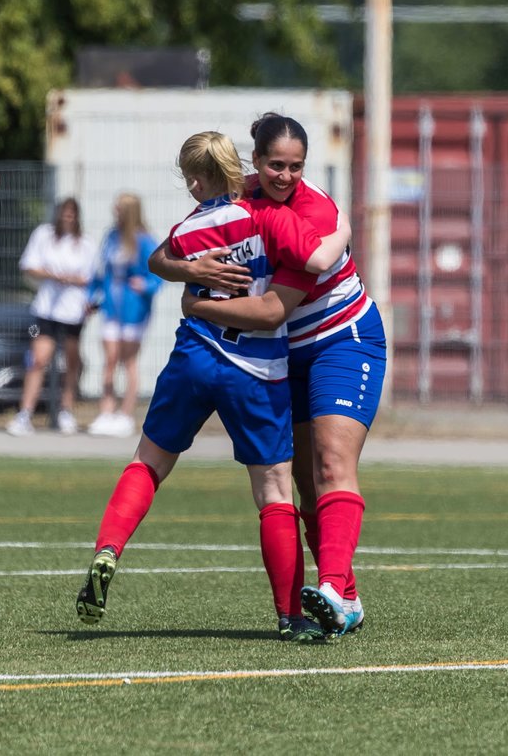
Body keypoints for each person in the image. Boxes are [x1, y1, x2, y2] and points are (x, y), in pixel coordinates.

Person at [75, 131, 347, 642]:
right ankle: (290, 618)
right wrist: (343, 226)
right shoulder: (266, 216)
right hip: (256, 369)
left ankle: (108, 549)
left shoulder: (188, 229)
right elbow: (315, 259)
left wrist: (188, 272)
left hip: (194, 354)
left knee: (147, 461)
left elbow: (158, 261)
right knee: (273, 491)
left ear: (192, 180)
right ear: (242, 168)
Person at [156, 113, 385, 638]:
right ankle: (345, 597)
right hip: (287, 358)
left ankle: (330, 588)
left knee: (330, 465)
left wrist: (197, 307)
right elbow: (162, 256)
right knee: (303, 484)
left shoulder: (309, 210)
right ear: (253, 163)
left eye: (296, 167)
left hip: (342, 341)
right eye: (275, 165)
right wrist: (191, 270)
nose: (285, 176)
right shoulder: (241, 198)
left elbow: (270, 312)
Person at [7, 198, 97, 436]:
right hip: (46, 309)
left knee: (71, 362)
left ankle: (66, 410)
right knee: (38, 359)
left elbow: (92, 277)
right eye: (64, 213)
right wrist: (52, 275)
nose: (68, 217)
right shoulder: (43, 235)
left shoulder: (85, 243)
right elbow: (28, 265)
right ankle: (25, 413)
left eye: (72, 213)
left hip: (73, 311)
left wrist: (74, 281)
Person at [84, 193, 161, 438]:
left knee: (128, 361)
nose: (115, 213)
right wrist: (91, 296)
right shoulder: (111, 237)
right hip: (111, 308)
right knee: (109, 360)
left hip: (134, 310)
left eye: (119, 210)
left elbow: (158, 275)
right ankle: (106, 412)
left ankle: (126, 415)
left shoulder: (144, 240)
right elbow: (99, 272)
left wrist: (145, 285)